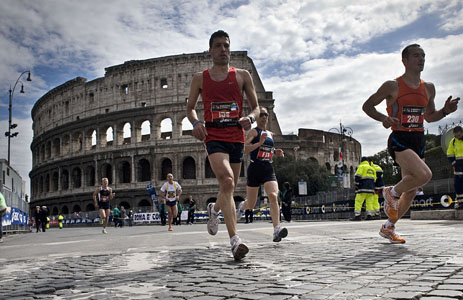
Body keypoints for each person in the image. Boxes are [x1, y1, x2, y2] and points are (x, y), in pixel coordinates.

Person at [363, 44, 460, 243]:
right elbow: (368, 106)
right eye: (416, 55)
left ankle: (389, 227)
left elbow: (430, 117)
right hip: (399, 137)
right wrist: (383, 118)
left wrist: (445, 111)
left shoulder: (429, 88)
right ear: (404, 60)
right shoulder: (393, 86)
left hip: (418, 139)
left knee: (412, 189)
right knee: (424, 175)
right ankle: (391, 192)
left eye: (423, 55)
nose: (421, 59)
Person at [187, 30, 260, 260]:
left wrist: (252, 118)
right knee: (227, 181)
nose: (223, 49)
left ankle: (214, 209)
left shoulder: (242, 75)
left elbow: (256, 108)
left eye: (226, 45)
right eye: (218, 45)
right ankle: (235, 241)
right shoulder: (200, 78)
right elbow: (189, 108)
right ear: (210, 50)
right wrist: (197, 122)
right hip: (214, 136)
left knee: (229, 188)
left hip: (236, 137)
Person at [236, 107, 287, 242]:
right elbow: (244, 149)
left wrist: (275, 152)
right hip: (255, 168)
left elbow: (268, 148)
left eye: (266, 114)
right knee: (251, 204)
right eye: (261, 114)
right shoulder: (253, 132)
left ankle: (277, 229)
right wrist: (258, 143)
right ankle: (242, 206)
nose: (264, 117)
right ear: (257, 118)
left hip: (268, 168)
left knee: (273, 196)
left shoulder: (270, 133)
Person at [447, 126, 463, 209]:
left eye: (459, 135)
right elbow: (450, 154)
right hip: (458, 167)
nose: (457, 137)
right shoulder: (453, 142)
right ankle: (460, 203)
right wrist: (454, 164)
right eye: (456, 136)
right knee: (458, 185)